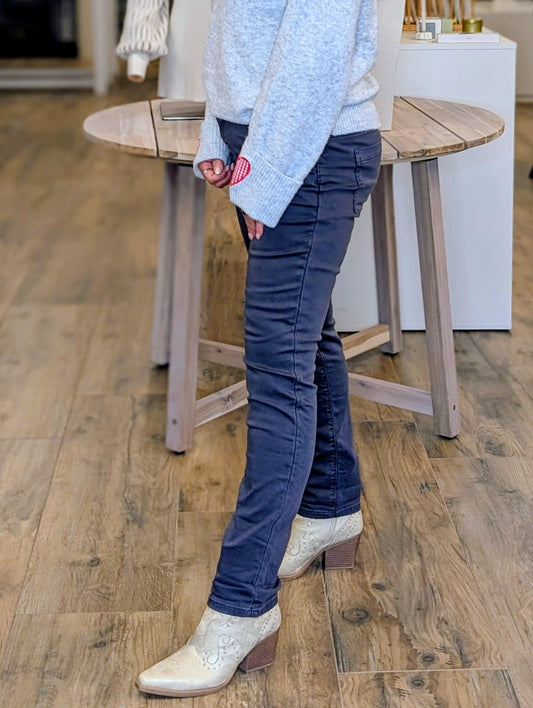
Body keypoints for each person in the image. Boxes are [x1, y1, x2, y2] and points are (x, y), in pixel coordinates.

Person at [118, 0, 382, 698]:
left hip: (306, 154)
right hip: (270, 147)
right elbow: (240, 33)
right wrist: (219, 130)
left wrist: (263, 173)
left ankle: (240, 611)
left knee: (276, 374)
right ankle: (331, 508)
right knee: (306, 337)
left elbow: (312, 60)